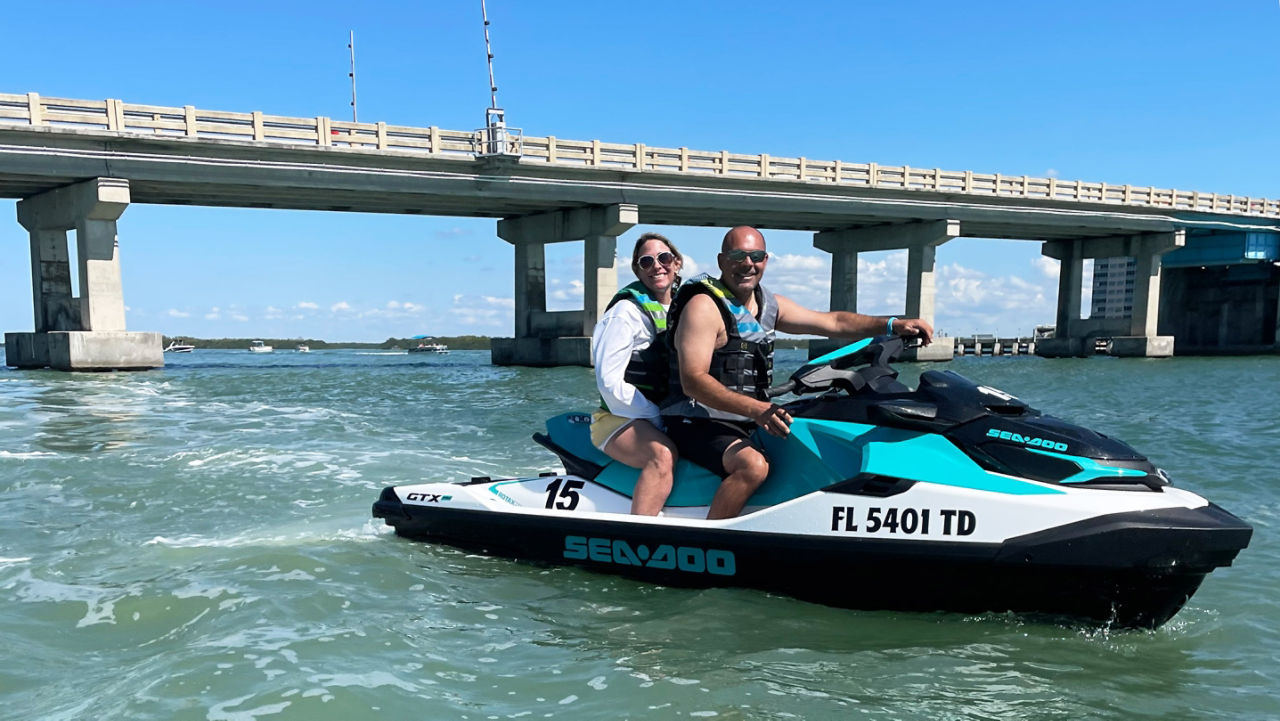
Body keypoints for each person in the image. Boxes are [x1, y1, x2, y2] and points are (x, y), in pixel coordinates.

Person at [663, 226, 933, 520]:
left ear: (765, 260)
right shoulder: (703, 307)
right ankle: (711, 543)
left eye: (756, 256)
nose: (747, 264)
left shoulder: (767, 304)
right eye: (738, 255)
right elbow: (693, 380)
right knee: (752, 466)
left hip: (746, 418)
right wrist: (760, 410)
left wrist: (892, 324)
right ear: (721, 261)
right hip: (697, 421)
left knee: (819, 433)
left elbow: (835, 323)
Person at [590, 232, 686, 515]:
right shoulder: (625, 313)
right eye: (646, 261)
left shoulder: (689, 307)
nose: (657, 265)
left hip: (672, 412)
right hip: (620, 418)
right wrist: (654, 416)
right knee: (662, 456)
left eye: (664, 258)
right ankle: (640, 536)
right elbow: (608, 382)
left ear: (677, 263)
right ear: (637, 270)